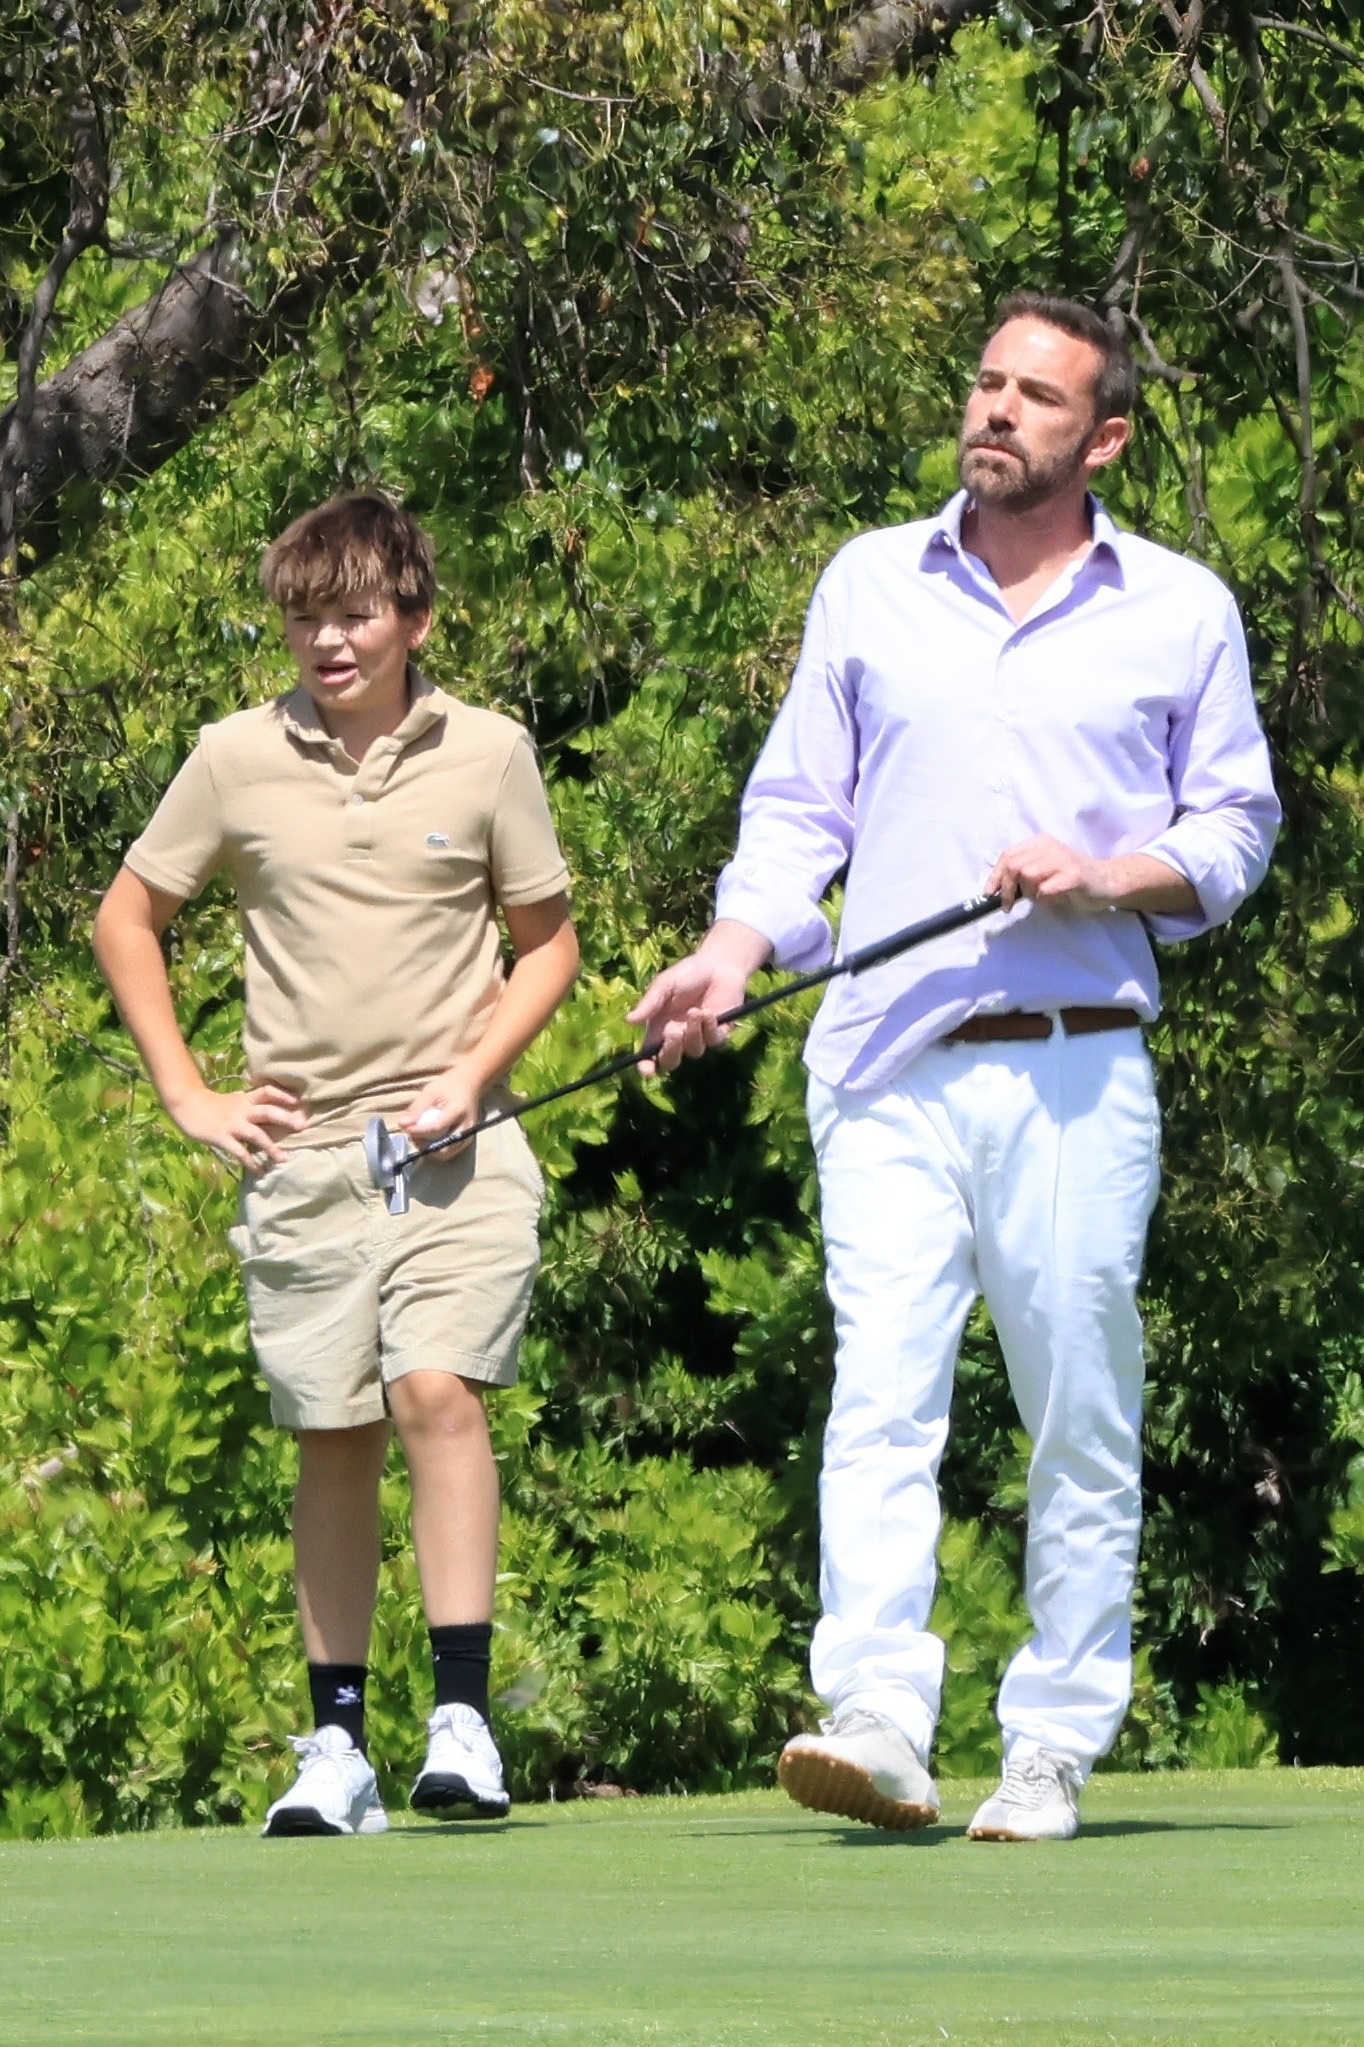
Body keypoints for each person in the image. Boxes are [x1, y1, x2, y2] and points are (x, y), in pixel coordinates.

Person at [629, 293, 1280, 1842]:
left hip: (1077, 1063)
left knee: (1077, 1410)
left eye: (1035, 397)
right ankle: (877, 1719)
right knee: (882, 1398)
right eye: (986, 383)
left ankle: (1050, 1744)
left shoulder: (1181, 607)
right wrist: (728, 958)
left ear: (1103, 435)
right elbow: (800, 815)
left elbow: (1236, 835)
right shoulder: (869, 582)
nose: (995, 411)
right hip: (883, 1065)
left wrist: (1105, 876)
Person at [93, 493, 578, 1837]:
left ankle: (464, 1722)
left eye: (355, 613)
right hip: (304, 1159)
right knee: (334, 1434)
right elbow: (127, 917)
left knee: (435, 1390)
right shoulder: (234, 760)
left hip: (459, 1151)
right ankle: (339, 1743)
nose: (329, 640)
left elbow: (548, 945)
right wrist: (188, 1092)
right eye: (306, 616)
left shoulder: (488, 754)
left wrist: (470, 1078)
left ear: (415, 617)